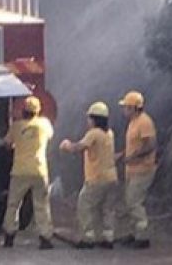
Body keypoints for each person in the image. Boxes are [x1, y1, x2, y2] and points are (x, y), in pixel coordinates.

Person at [60, 101, 119, 249]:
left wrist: (67, 145)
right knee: (107, 208)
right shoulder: (109, 133)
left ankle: (88, 238)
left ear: (94, 119)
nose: (87, 121)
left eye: (89, 118)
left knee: (84, 205)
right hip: (112, 177)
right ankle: (108, 237)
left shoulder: (93, 134)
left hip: (96, 178)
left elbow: (79, 147)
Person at [2, 95, 54, 249]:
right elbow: (50, 136)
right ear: (38, 111)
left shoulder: (16, 126)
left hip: (19, 171)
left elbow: (6, 144)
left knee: (13, 204)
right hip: (40, 170)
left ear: (23, 110)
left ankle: (9, 236)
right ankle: (45, 238)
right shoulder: (45, 124)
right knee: (42, 204)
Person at [116, 90, 157, 249]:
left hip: (143, 169)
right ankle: (134, 233)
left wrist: (133, 157)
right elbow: (135, 146)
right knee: (130, 201)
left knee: (134, 202)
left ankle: (142, 236)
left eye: (126, 107)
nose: (124, 110)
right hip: (132, 169)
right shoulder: (133, 122)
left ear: (133, 108)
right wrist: (121, 155)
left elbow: (150, 145)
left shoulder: (144, 122)